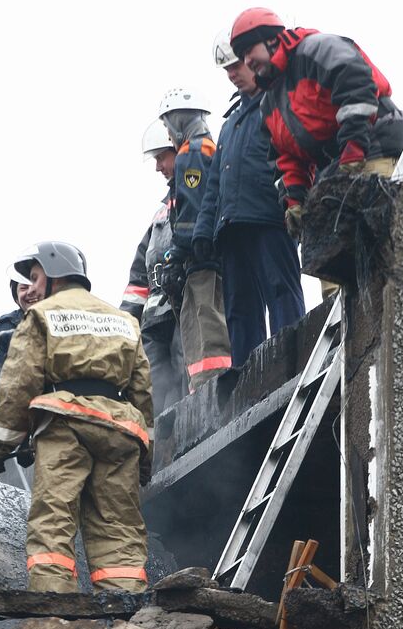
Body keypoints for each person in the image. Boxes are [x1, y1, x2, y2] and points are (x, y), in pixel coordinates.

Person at [0, 240, 154, 595]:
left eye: (34, 275)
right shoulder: (123, 321)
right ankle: (127, 605)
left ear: (53, 272)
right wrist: (146, 456)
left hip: (65, 425)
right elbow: (142, 394)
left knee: (54, 516)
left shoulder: (41, 317)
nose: (30, 285)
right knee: (118, 524)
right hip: (120, 430)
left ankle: (52, 601)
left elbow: (18, 387)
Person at [229, 8, 403, 241]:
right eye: (242, 56)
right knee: (334, 260)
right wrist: (294, 201)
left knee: (382, 244)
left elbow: (356, 83)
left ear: (271, 38)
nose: (247, 61)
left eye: (248, 50)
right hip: (337, 170)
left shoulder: (316, 49)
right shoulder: (270, 104)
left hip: (377, 146)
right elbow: (287, 159)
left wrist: (353, 148)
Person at [193, 30, 305, 367]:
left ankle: (292, 363)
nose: (232, 74)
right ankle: (246, 375)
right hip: (231, 227)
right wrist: (203, 229)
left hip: (269, 218)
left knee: (281, 291)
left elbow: (296, 155)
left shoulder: (277, 103)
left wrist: (293, 202)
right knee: (240, 309)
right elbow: (214, 184)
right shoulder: (229, 126)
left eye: (235, 66)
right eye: (226, 70)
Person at [158, 87, 231, 391]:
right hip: (217, 252)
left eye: (168, 126)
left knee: (202, 318)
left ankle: (208, 385)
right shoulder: (213, 148)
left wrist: (175, 254)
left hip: (201, 258)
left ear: (177, 121)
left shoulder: (192, 152)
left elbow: (192, 209)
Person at [120, 119, 187, 415]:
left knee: (187, 371)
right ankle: (158, 441)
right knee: (152, 385)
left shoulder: (197, 197)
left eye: (161, 157)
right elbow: (138, 278)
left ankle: (187, 428)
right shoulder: (160, 214)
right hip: (154, 320)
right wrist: (124, 323)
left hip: (184, 307)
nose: (158, 167)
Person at [0, 250, 42, 406]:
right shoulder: (4, 328)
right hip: (24, 410)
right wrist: (1, 394)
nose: (30, 292)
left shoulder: (72, 317)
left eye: (35, 285)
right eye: (23, 288)